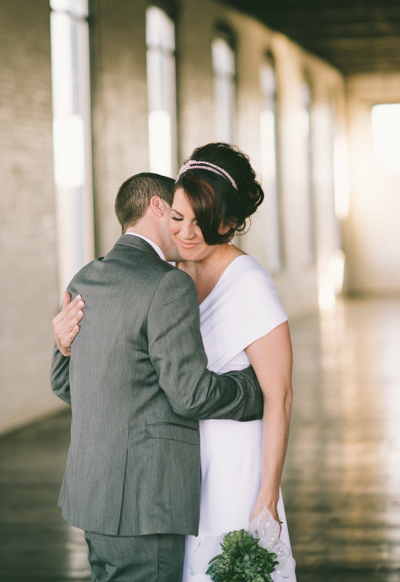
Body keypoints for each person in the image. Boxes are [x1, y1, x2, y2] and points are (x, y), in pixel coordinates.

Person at [50, 171, 265, 582]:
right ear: (157, 207)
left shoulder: (85, 279)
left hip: (92, 496)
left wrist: (61, 350)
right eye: (179, 215)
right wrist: (252, 390)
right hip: (145, 502)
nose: (187, 229)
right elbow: (190, 395)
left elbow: (64, 385)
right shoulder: (168, 284)